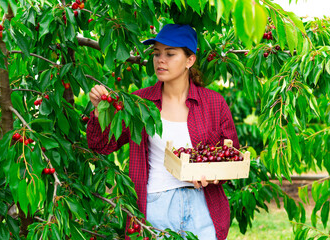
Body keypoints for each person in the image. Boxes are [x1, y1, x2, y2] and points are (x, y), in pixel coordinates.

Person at [87, 24, 239, 240]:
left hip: (202, 206)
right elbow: (100, 145)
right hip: (156, 207)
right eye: (157, 53)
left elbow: (232, 157)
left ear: (190, 60)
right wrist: (98, 110)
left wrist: (211, 176)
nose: (160, 60)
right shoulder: (139, 102)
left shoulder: (214, 103)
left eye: (170, 54)